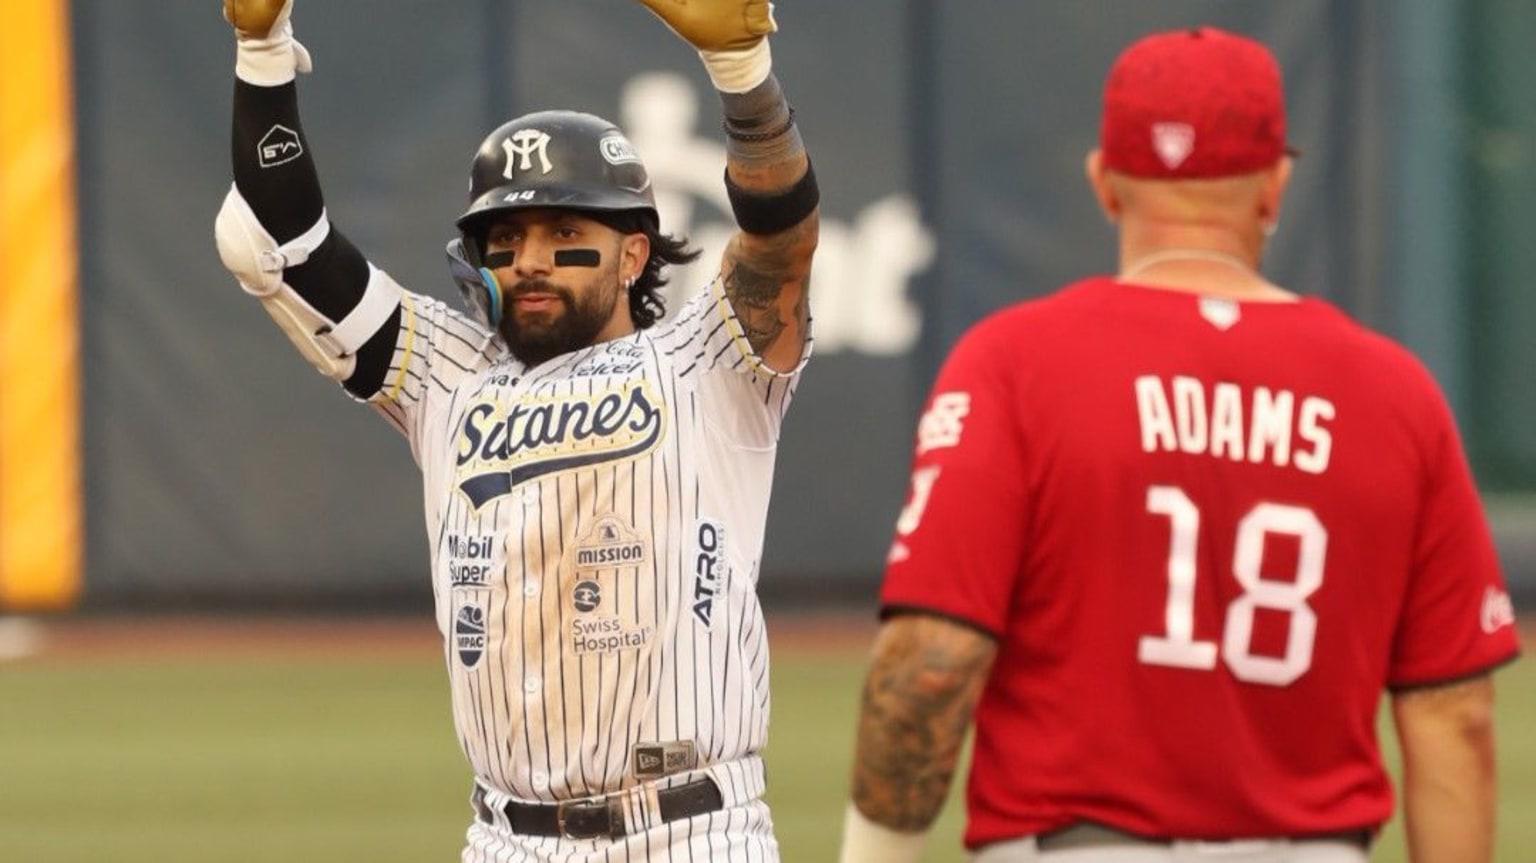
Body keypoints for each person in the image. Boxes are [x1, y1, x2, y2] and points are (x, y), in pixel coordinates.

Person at [838, 26, 1520, 863]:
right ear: (1275, 187)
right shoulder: (1394, 392)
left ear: (1104, 183)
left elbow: (930, 664)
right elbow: (1455, 710)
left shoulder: (1016, 362)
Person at [213, 0, 818, 858]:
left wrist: (744, 77)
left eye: (565, 230)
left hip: (690, 829)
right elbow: (275, 241)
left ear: (633, 253)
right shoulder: (445, 371)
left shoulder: (708, 363)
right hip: (506, 838)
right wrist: (261, 50)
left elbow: (780, 245)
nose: (529, 258)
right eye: (504, 236)